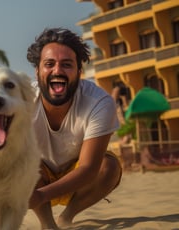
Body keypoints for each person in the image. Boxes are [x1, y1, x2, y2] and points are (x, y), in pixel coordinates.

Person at [27, 28, 122, 230]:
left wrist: (41, 195)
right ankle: (48, 224)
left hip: (77, 175)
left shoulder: (100, 102)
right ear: (37, 71)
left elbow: (89, 168)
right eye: (49, 64)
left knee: (110, 167)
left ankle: (67, 217)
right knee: (22, 165)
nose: (58, 70)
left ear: (80, 72)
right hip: (37, 174)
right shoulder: (22, 100)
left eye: (67, 64)